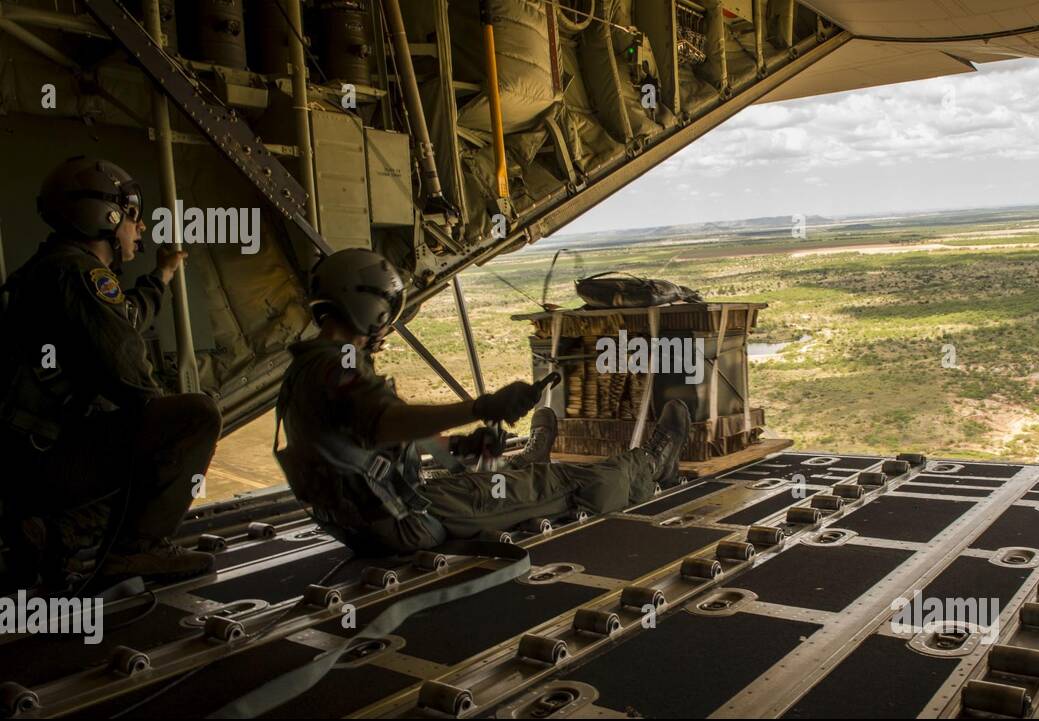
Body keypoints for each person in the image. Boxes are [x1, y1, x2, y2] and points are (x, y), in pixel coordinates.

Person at [274, 248, 690, 556]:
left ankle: (530, 459)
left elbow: (359, 446)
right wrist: (481, 407)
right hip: (407, 520)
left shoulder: (306, 369)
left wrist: (460, 446)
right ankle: (652, 466)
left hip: (363, 522)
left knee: (511, 477)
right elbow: (385, 422)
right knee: (564, 483)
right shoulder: (339, 368)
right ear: (371, 305)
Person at [0, 157, 220, 585]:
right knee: (196, 417)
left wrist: (162, 275)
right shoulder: (80, 274)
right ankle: (133, 550)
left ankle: (60, 532)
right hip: (45, 460)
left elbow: (123, 316)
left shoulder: (58, 269)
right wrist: (166, 435)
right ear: (107, 216)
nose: (139, 229)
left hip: (30, 454)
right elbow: (129, 371)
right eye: (133, 217)